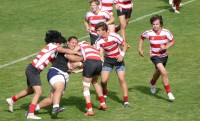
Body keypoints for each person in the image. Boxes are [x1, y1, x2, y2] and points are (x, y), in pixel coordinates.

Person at [6, 31, 81, 119]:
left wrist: (68, 69)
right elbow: (63, 50)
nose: (60, 45)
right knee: (39, 91)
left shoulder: (52, 50)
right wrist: (76, 52)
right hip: (33, 69)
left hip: (32, 69)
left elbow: (55, 63)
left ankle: (12, 100)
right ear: (56, 41)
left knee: (30, 90)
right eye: (59, 43)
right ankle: (30, 113)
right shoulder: (53, 46)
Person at [34, 36, 83, 119]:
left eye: (76, 43)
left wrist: (79, 64)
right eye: (72, 42)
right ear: (68, 42)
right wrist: (82, 57)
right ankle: (56, 108)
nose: (74, 45)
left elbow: (81, 65)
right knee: (59, 88)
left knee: (52, 99)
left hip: (63, 75)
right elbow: (72, 58)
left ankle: (33, 109)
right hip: (56, 71)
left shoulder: (73, 51)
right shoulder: (65, 48)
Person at [138, 15, 175, 100]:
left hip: (164, 56)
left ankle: (152, 82)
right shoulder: (149, 33)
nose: (155, 26)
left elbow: (172, 41)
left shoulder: (166, 32)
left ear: (161, 24)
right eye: (153, 24)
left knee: (158, 72)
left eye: (157, 24)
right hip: (154, 55)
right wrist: (140, 49)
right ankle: (169, 92)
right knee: (164, 72)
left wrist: (166, 47)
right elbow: (141, 37)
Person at [95, 22, 129, 107]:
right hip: (108, 60)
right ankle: (105, 91)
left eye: (98, 30)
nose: (97, 32)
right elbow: (98, 53)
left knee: (121, 79)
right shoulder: (98, 41)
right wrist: (100, 62)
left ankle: (126, 101)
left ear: (104, 30)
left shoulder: (114, 36)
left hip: (118, 59)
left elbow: (125, 45)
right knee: (103, 81)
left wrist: (122, 54)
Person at [73, 41, 106, 116]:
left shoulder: (81, 44)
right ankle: (102, 103)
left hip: (90, 62)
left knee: (86, 86)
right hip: (99, 63)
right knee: (95, 82)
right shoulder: (92, 47)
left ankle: (89, 110)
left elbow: (73, 51)